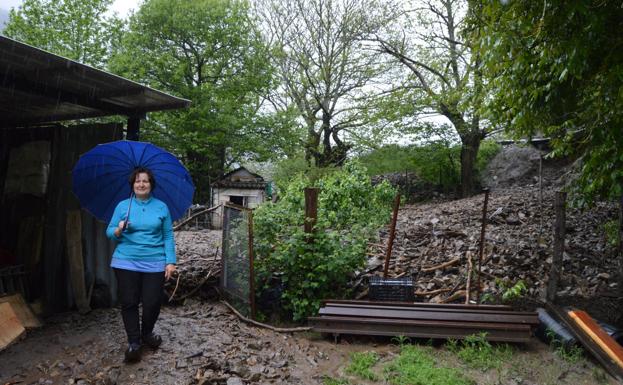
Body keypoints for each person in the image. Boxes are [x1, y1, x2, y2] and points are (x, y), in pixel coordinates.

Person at [106, 167, 176, 363]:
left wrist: (170, 261)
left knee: (152, 301)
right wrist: (119, 229)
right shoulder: (123, 206)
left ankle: (147, 333)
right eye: (137, 181)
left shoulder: (161, 207)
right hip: (125, 261)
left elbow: (168, 235)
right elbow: (109, 232)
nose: (141, 184)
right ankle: (134, 343)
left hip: (155, 261)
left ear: (151, 184)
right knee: (129, 302)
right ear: (132, 184)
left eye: (145, 181)